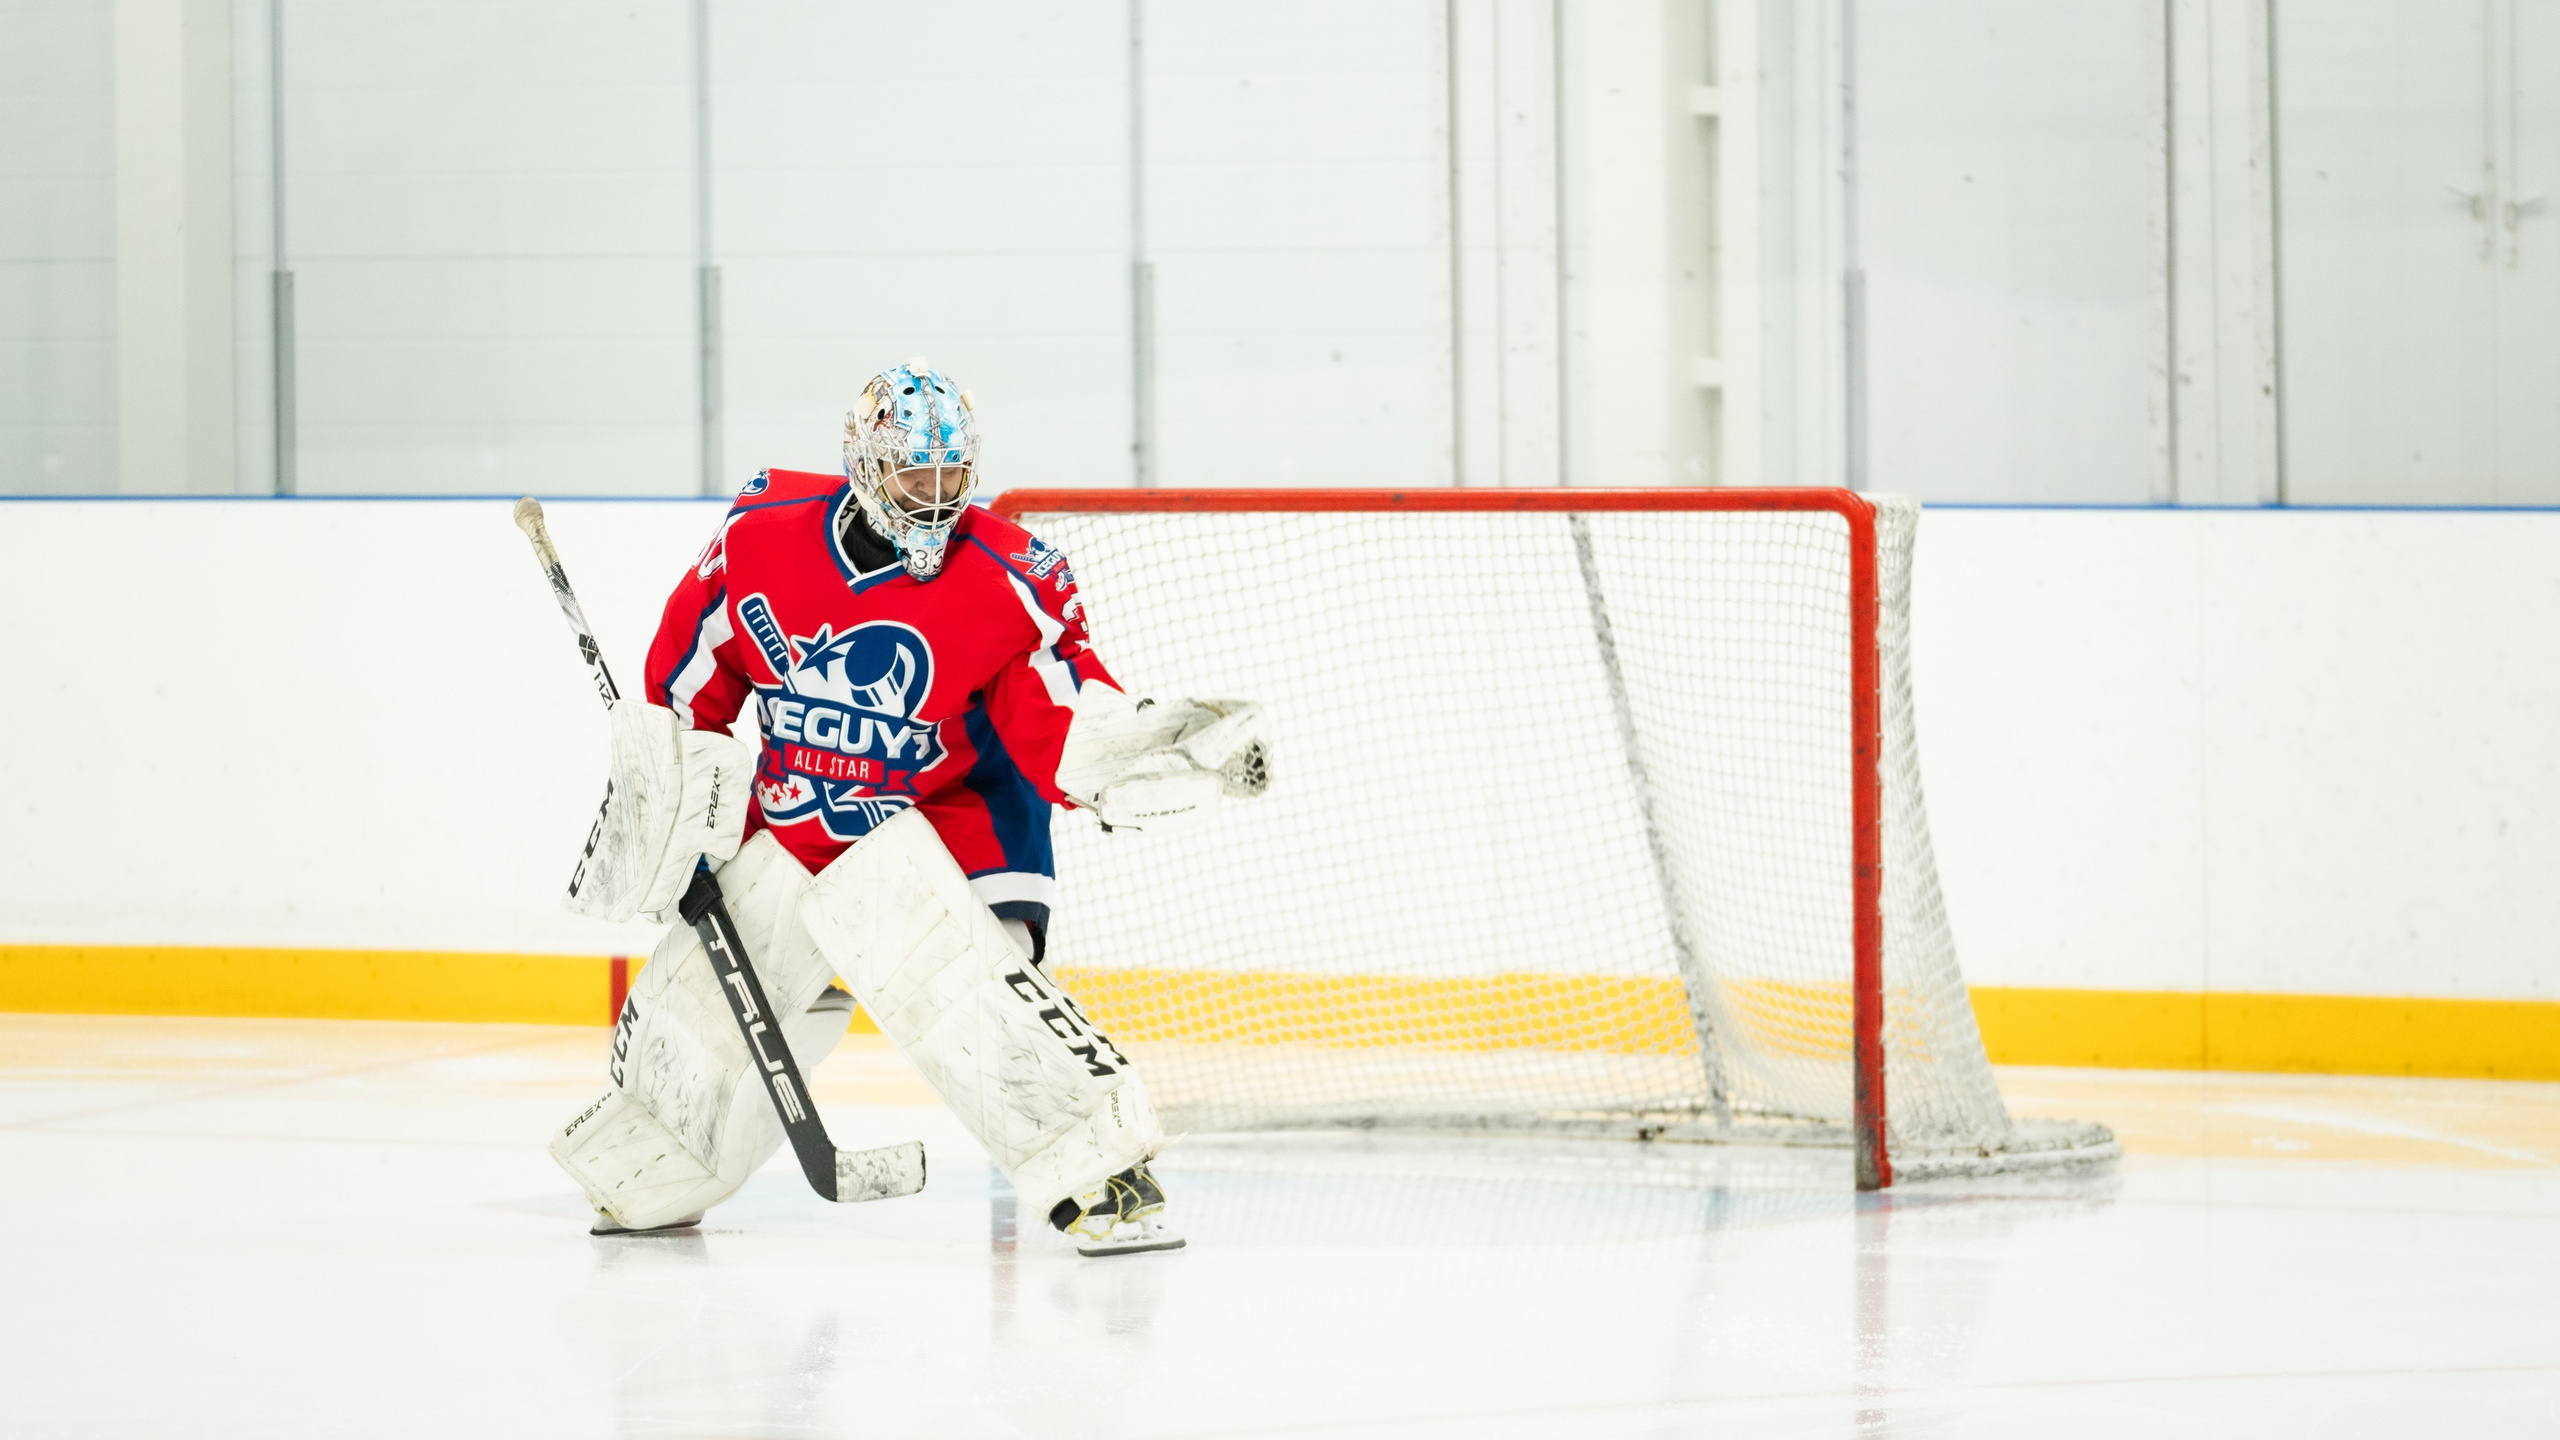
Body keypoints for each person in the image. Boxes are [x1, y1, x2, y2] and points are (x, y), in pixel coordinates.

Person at [547, 361, 1267, 1256]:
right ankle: (652, 1168)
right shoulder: (763, 534)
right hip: (800, 817)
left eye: (950, 478)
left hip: (951, 817)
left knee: (957, 982)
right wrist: (674, 808)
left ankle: (1101, 1170)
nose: (933, 498)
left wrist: (1151, 752)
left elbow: (1060, 715)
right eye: (912, 476)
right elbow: (693, 676)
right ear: (863, 463)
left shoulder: (1009, 576)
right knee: (702, 1006)